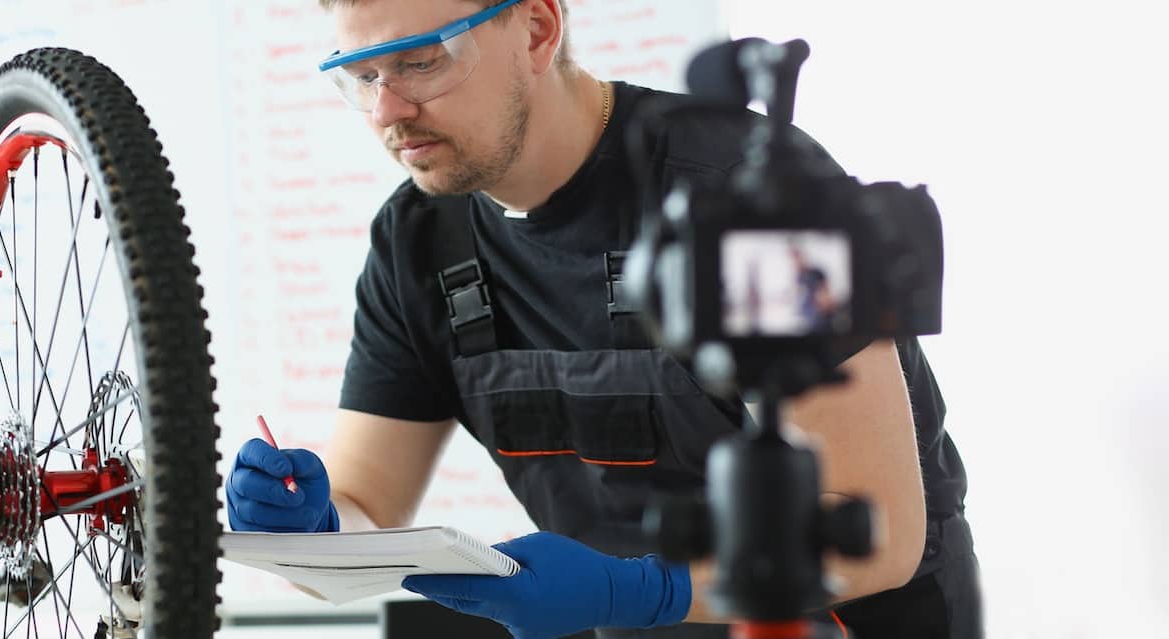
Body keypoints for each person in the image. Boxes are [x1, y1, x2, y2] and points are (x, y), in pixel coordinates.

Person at [223, 1, 980, 637]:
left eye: (422, 60)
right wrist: (314, 530)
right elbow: (365, 511)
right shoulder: (416, 244)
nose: (388, 109)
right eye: (363, 75)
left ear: (537, 28)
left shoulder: (747, 194)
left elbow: (877, 530)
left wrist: (640, 588)